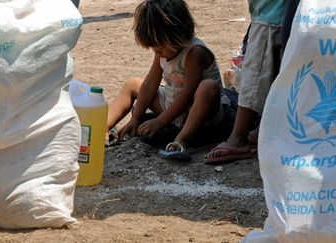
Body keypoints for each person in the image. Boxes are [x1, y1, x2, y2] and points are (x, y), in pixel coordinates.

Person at [106, 0, 232, 161]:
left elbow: (188, 95)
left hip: (197, 110)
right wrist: (136, 117)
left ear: (178, 34)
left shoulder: (195, 52)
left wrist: (160, 121)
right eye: (154, 49)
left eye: (160, 47)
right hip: (171, 102)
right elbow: (150, 84)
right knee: (133, 84)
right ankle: (103, 128)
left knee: (208, 87)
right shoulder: (162, 52)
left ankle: (181, 140)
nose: (157, 52)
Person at [204, 0, 289, 163]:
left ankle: (238, 139)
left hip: (271, 15)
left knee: (257, 73)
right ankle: (262, 130)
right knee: (280, 70)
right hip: (280, 15)